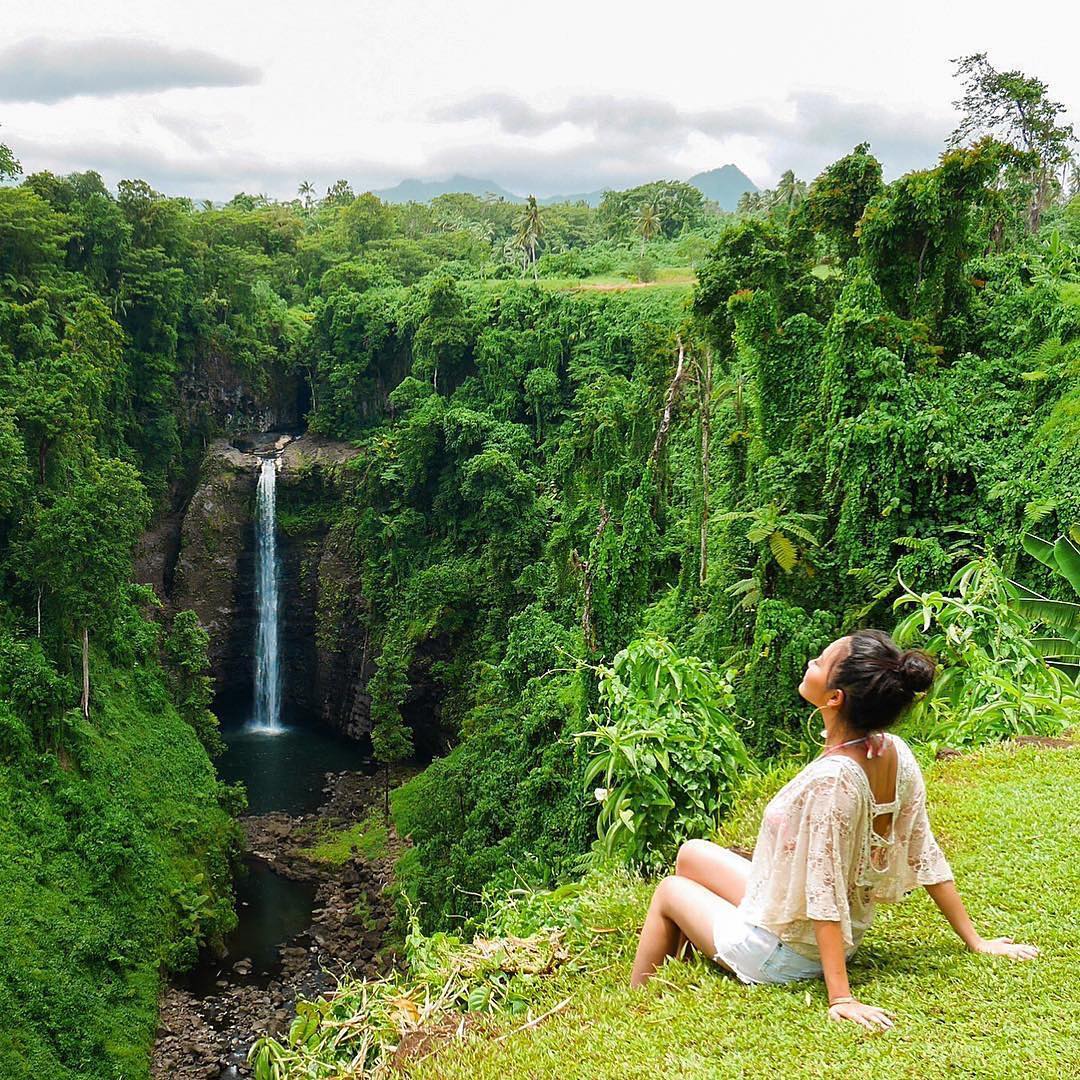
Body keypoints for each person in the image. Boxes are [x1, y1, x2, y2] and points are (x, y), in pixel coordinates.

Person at [629, 629, 1039, 1030]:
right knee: (691, 854)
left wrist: (840, 996)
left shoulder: (834, 780)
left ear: (835, 698)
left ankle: (637, 1001)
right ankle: (681, 959)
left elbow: (822, 886)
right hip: (797, 920)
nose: (811, 662)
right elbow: (923, 849)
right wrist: (975, 939)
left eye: (821, 662)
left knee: (670, 890)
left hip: (784, 953)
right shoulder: (893, 752)